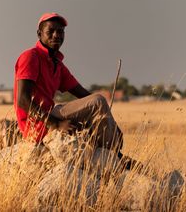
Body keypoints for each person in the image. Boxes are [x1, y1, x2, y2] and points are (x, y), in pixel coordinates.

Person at [14, 12, 124, 157]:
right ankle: (114, 155)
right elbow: (22, 100)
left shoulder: (57, 65)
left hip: (50, 114)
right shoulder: (31, 56)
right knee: (99, 101)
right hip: (36, 125)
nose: (56, 35)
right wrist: (56, 124)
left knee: (96, 106)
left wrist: (111, 122)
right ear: (39, 34)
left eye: (60, 32)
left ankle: (109, 155)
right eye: (50, 31)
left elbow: (84, 95)